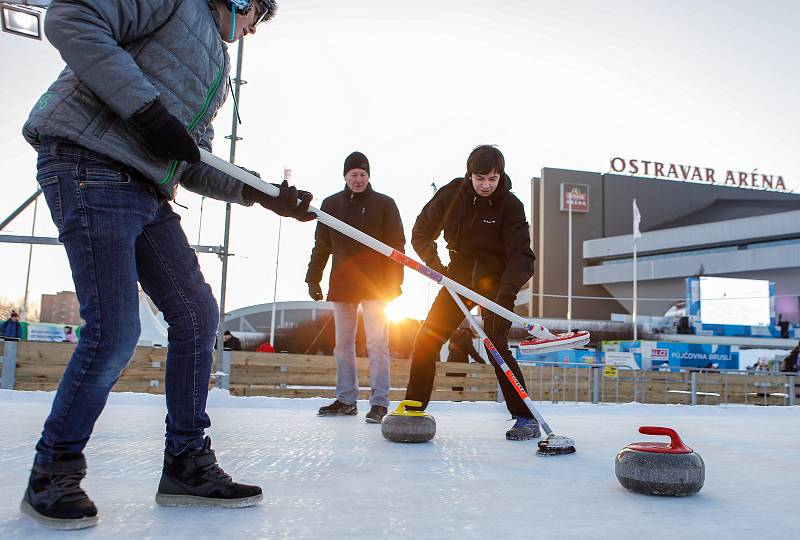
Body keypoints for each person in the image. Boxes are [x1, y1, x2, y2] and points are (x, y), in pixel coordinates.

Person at [19, 0, 315, 530]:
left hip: (148, 188)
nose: (250, 30)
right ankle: (54, 469)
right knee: (115, 329)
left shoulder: (217, 71)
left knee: (198, 315)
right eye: (254, 17)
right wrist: (147, 111)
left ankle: (186, 462)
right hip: (91, 163)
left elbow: (192, 159)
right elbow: (70, 18)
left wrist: (264, 194)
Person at [403, 145, 539, 441]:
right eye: (480, 178)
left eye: (492, 178)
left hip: (496, 282)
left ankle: (525, 417)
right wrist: (437, 266)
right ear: (470, 174)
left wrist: (506, 294)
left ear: (500, 175)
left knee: (496, 344)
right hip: (458, 278)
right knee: (426, 339)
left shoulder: (510, 205)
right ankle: (413, 406)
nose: (486, 185)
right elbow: (422, 231)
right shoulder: (453, 195)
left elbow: (521, 254)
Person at [306, 151, 405, 424]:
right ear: (345, 176)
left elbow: (397, 245)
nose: (358, 179)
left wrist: (395, 281)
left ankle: (379, 403)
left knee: (377, 344)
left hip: (376, 285)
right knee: (343, 345)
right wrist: (313, 278)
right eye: (353, 175)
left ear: (368, 176)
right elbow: (322, 246)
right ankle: (346, 399)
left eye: (362, 174)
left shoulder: (385, 204)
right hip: (343, 282)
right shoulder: (331, 205)